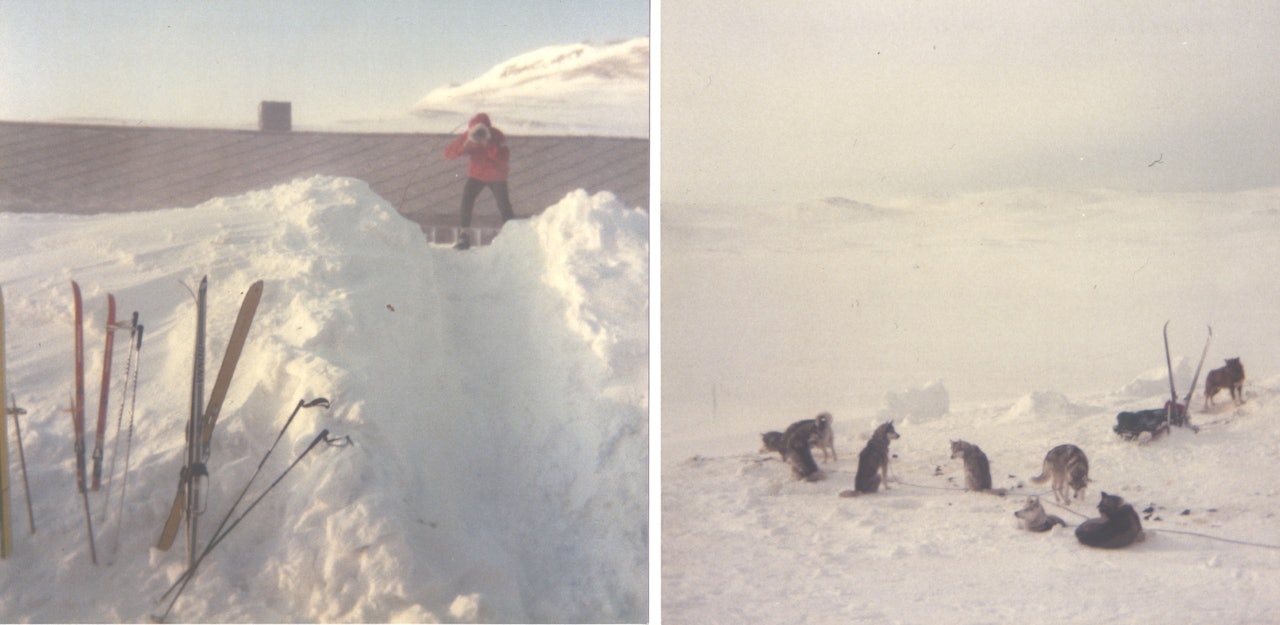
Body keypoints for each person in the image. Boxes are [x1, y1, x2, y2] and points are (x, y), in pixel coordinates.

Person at [443, 112, 515, 249]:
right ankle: (464, 235)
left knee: (504, 204)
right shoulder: (467, 136)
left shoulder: (497, 136)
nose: (479, 135)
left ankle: (513, 235)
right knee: (466, 201)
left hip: (497, 175)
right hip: (477, 175)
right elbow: (448, 153)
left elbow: (504, 158)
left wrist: (488, 145)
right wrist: (464, 147)